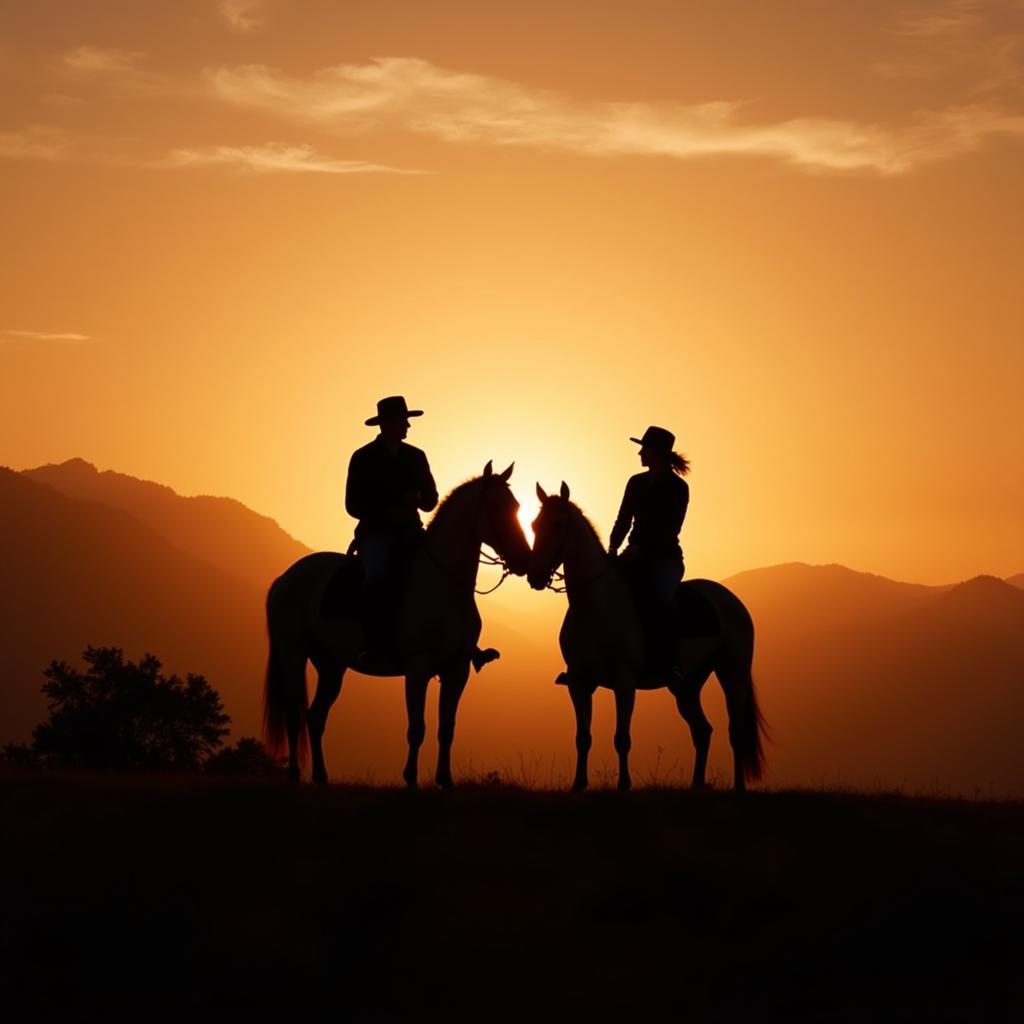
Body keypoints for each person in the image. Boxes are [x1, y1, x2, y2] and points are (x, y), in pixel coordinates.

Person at [346, 396, 438, 661]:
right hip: (376, 535)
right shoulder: (363, 458)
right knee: (375, 576)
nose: (408, 425)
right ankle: (372, 643)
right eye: (403, 420)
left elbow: (431, 500)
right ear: (386, 424)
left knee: (442, 570)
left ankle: (459, 640)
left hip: (411, 533)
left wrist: (418, 500)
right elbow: (352, 504)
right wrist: (388, 510)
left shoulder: (416, 456)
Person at [608, 424, 690, 671]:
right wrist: (613, 549)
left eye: (644, 448)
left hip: (665, 560)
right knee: (605, 592)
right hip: (634, 555)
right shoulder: (636, 482)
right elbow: (623, 519)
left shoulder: (678, 488)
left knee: (661, 603)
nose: (640, 454)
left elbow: (670, 529)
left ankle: (671, 664)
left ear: (655, 452)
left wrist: (640, 549)